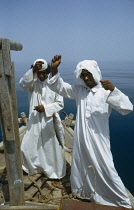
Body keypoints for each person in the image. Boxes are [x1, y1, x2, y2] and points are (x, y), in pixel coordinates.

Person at [47, 55, 133, 208]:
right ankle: (83, 192)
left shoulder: (106, 92)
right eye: (83, 75)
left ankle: (120, 200)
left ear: (95, 73)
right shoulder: (80, 91)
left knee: (105, 166)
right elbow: (60, 87)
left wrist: (114, 90)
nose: (86, 78)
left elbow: (127, 108)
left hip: (98, 138)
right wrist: (54, 69)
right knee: (81, 163)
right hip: (81, 137)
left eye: (88, 74)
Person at [19, 59, 66, 179]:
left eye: (44, 72)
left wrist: (45, 108)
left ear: (48, 72)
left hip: (50, 121)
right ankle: (34, 168)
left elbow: (60, 104)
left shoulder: (54, 84)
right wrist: (32, 70)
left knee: (51, 147)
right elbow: (23, 84)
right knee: (28, 146)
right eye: (38, 72)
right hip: (34, 120)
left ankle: (55, 173)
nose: (41, 75)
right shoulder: (32, 83)